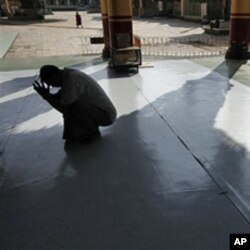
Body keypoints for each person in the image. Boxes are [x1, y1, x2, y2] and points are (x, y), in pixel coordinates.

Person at [33, 65, 117, 144]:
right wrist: (48, 95)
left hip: (106, 116)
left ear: (55, 76)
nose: (51, 86)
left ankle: (92, 132)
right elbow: (60, 98)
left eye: (50, 83)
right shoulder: (68, 76)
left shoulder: (72, 79)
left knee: (72, 106)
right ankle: (82, 133)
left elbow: (63, 108)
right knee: (70, 104)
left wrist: (46, 96)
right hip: (99, 112)